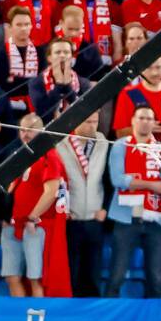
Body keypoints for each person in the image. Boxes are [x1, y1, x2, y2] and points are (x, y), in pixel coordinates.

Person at [106, 104, 161, 298]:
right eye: (141, 117)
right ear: (132, 120)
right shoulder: (120, 145)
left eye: (149, 118)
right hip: (126, 220)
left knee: (156, 278)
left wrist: (136, 182)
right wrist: (151, 185)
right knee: (116, 276)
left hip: (155, 220)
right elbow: (118, 179)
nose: (145, 122)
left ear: (155, 123)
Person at [2, 111, 60, 297]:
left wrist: (33, 217)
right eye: (22, 129)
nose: (25, 133)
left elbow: (51, 191)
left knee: (35, 278)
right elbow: (11, 189)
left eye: (31, 129)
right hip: (13, 223)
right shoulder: (20, 155)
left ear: (42, 130)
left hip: (33, 226)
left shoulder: (49, 155)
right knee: (12, 276)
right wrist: (5, 216)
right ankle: (19, 317)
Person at [55, 110, 108, 298]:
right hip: (72, 217)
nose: (92, 126)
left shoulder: (102, 142)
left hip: (95, 217)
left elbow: (107, 179)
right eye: (88, 122)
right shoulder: (61, 142)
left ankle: (94, 314)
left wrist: (105, 209)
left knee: (94, 269)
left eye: (95, 122)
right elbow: (57, 177)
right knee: (73, 269)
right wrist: (63, 208)